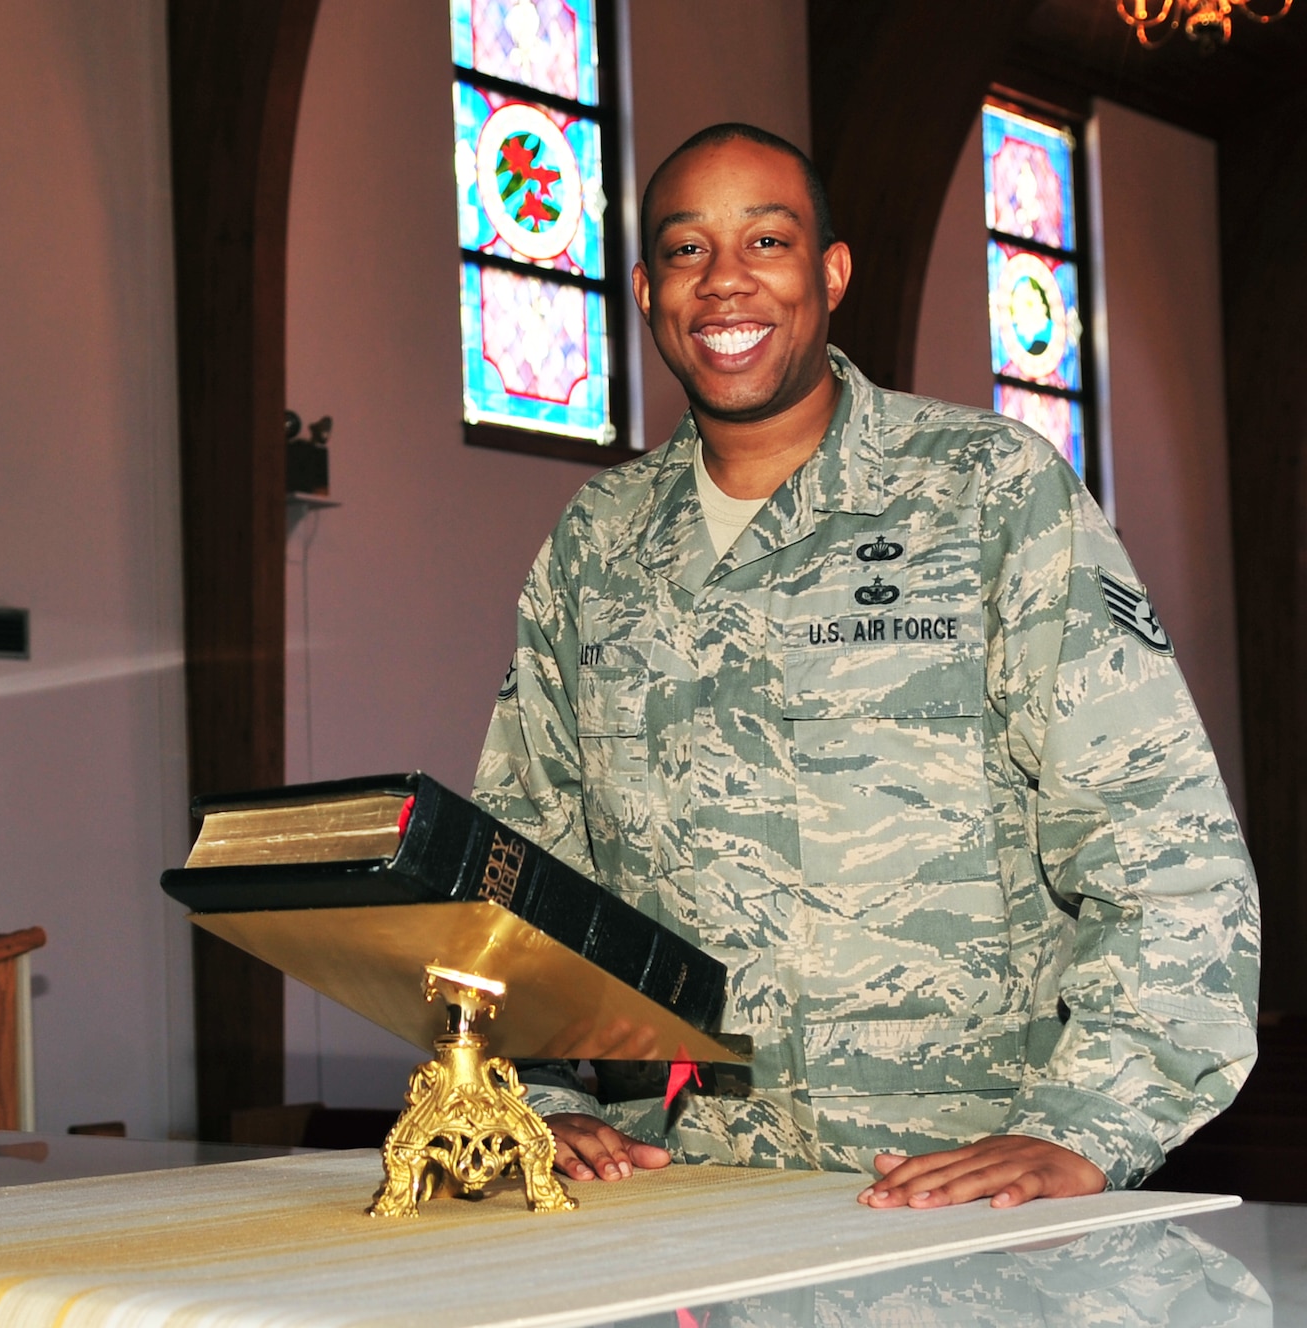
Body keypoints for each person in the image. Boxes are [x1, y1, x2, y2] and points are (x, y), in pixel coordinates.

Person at [473, 123, 1260, 1210]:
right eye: (688, 251)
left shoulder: (986, 493)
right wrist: (542, 1092)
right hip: (673, 1200)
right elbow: (526, 869)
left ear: (829, 272)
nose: (725, 283)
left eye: (766, 241)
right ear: (648, 289)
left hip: (947, 1194)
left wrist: (1087, 1123)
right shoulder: (594, 544)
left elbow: (1160, 845)